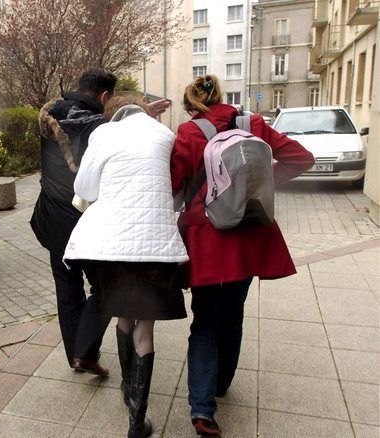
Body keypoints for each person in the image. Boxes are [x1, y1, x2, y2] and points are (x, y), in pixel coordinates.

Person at [170, 75, 314, 437]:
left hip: (208, 237)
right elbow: (302, 158)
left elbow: (173, 184)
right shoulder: (254, 124)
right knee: (233, 311)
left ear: (192, 105)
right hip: (251, 234)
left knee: (205, 323)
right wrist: (261, 185)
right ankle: (220, 384)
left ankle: (203, 411)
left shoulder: (190, 132)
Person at [65, 96, 189, 438]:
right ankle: (137, 419)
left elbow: (84, 188)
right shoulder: (164, 133)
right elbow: (174, 186)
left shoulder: (104, 134)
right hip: (156, 243)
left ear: (112, 113)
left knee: (122, 314)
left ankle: (126, 390)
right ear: (143, 111)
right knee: (144, 330)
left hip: (112, 243)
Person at [32, 68, 171, 375]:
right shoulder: (101, 125)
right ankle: (84, 351)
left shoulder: (51, 114)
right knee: (106, 289)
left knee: (67, 290)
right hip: (85, 222)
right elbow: (109, 129)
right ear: (106, 95)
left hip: (52, 218)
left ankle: (79, 356)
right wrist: (143, 113)